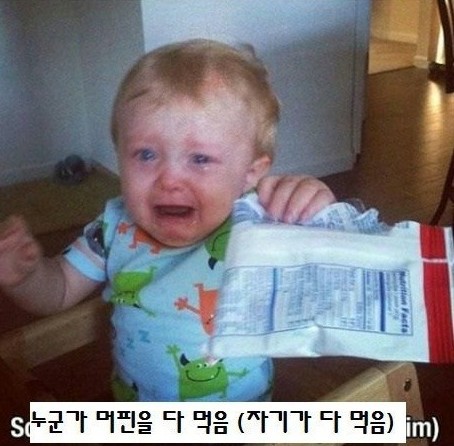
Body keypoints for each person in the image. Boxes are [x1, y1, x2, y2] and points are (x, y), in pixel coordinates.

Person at [0, 39, 335, 402]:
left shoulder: (259, 225)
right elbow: (61, 288)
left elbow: (329, 278)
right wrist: (26, 277)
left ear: (250, 173)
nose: (170, 180)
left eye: (200, 159)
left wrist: (316, 210)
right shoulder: (115, 226)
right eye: (146, 154)